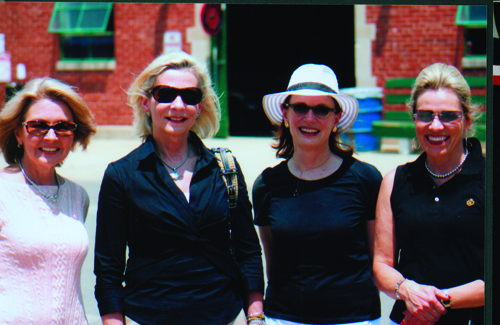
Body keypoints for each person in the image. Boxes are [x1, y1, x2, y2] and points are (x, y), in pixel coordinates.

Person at [94, 51, 265, 325]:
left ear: (200, 107)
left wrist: (255, 315)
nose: (177, 104)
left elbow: (248, 251)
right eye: (165, 94)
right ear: (146, 103)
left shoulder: (225, 168)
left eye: (190, 96)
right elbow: (108, 269)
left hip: (223, 316)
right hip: (148, 317)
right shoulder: (122, 175)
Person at [253, 63, 382, 325]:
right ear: (285, 114)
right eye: (300, 107)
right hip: (284, 318)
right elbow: (272, 263)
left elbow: (376, 261)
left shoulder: (365, 179)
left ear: (336, 118)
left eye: (322, 109)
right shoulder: (267, 185)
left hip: (354, 319)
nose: (310, 118)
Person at [373, 63, 485, 325]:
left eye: (448, 116)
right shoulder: (395, 181)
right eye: (425, 115)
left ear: (467, 120)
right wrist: (407, 290)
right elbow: (381, 265)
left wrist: (435, 301)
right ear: (414, 119)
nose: (436, 126)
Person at [0, 77, 96, 324]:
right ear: (18, 134)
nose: (51, 136)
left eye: (63, 127)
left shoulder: (77, 197)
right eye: (38, 126)